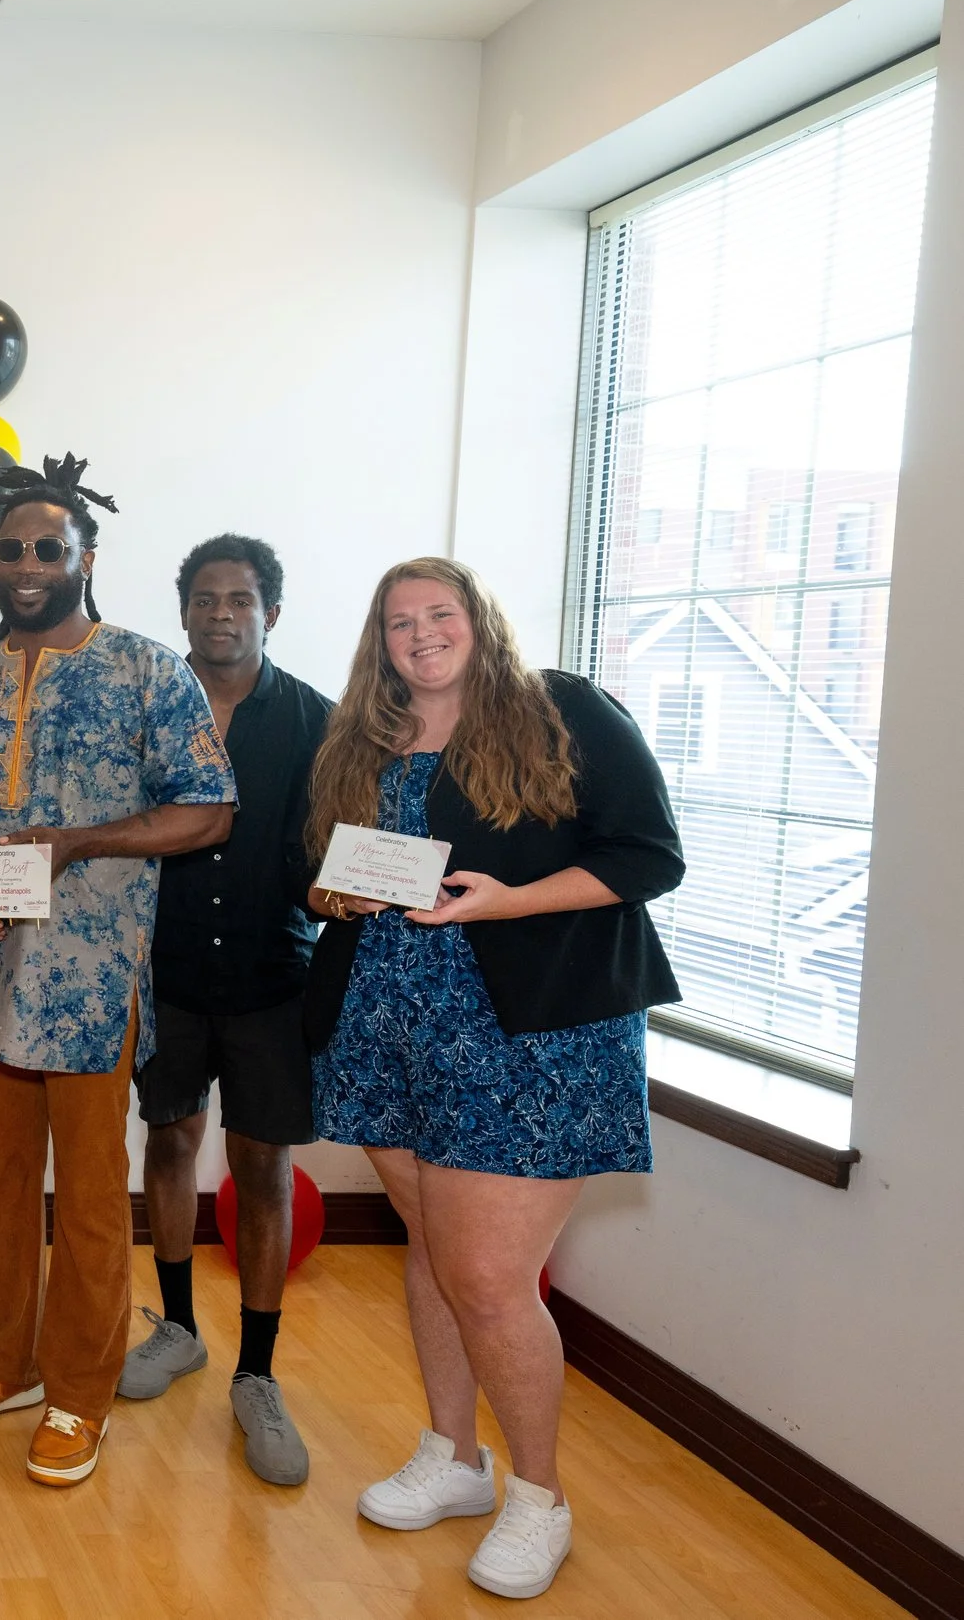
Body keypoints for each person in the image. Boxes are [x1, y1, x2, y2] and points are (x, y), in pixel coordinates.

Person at [306, 556, 680, 1601]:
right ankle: (453, 1456)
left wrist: (499, 901)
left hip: (529, 1038)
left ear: (479, 621)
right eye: (396, 622)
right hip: (388, 1029)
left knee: (485, 1277)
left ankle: (539, 1496)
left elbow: (648, 854)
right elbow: (332, 866)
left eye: (439, 613)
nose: (419, 634)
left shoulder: (558, 707)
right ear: (377, 642)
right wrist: (330, 891)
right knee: (432, 1249)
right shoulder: (362, 739)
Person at [0, 456, 236, 1488]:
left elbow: (207, 808)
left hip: (91, 976)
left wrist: (77, 842)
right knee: (3, 1181)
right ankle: (1, 1359)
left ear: (84, 557)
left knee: (94, 1196)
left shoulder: (149, 669)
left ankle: (79, 1388)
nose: (23, 564)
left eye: (45, 547)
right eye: (9, 548)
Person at [122, 534, 331, 1487]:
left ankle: (257, 1371)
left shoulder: (318, 723)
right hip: (163, 974)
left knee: (265, 1171)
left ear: (271, 613)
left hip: (269, 979)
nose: (220, 613)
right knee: (168, 1144)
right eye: (204, 598)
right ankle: (175, 1329)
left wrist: (346, 887)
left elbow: (333, 852)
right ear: (184, 612)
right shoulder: (149, 709)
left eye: (239, 599)